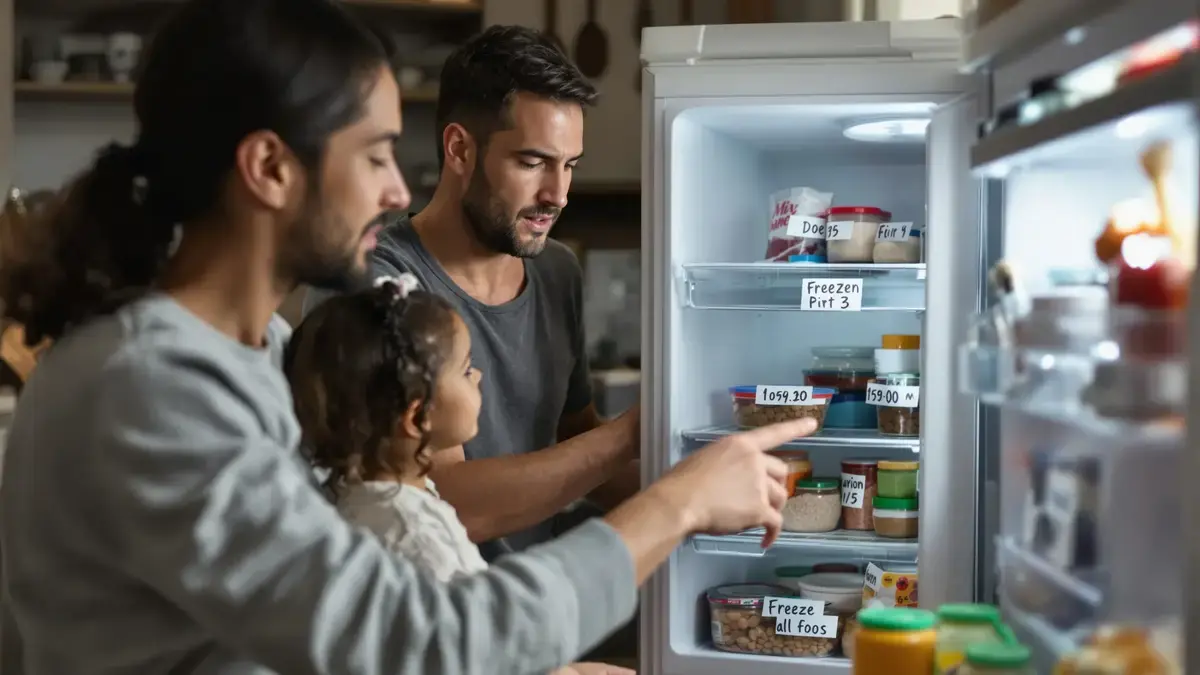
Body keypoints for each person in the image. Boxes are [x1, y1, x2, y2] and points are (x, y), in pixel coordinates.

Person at [0, 1, 815, 674]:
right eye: (376, 154)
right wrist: (676, 502)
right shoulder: (151, 388)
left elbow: (341, 608)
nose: (398, 185)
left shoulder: (258, 358)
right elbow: (414, 637)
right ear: (269, 168)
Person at [307, 25, 639, 562]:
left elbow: (576, 447)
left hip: (535, 609)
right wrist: (631, 436)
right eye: (532, 163)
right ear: (459, 148)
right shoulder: (379, 284)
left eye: (569, 165)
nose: (558, 195)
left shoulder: (557, 272)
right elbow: (445, 502)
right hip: (431, 615)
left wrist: (715, 491)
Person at [285, 274, 633, 675]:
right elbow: (480, 651)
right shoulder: (416, 534)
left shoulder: (358, 495)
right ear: (417, 417)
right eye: (466, 370)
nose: (479, 378)